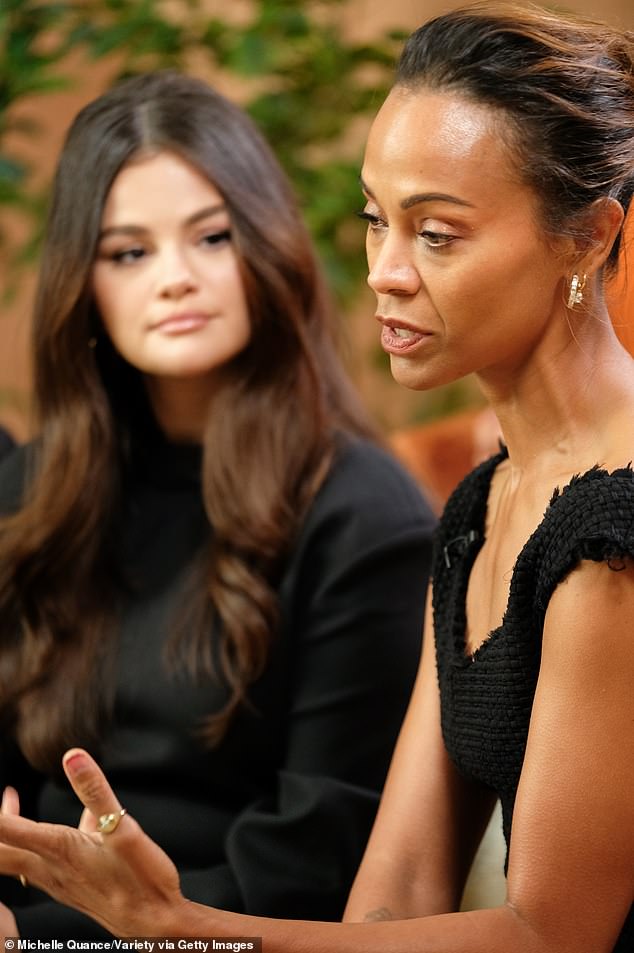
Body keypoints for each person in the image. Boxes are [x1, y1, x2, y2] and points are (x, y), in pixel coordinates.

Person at [0, 2, 632, 950]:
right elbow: (398, 888)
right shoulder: (480, 504)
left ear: (588, 237)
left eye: (437, 233)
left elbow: (554, 935)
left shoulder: (610, 526)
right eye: (378, 220)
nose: (382, 269)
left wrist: (173, 929)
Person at [0, 70, 437, 939]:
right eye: (129, 252)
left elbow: (314, 866)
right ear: (82, 284)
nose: (175, 279)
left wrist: (55, 937)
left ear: (266, 248)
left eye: (211, 237)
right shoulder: (35, 488)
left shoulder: (362, 515)